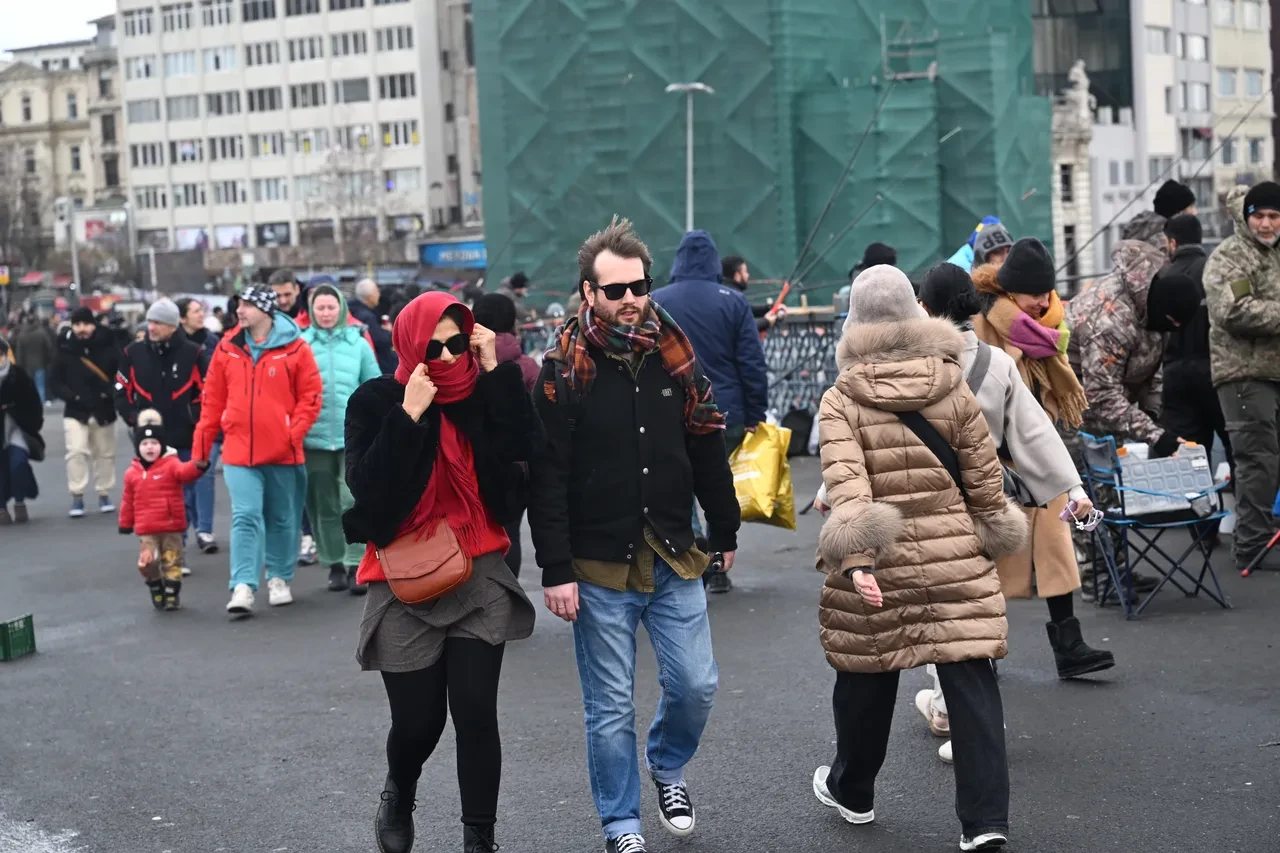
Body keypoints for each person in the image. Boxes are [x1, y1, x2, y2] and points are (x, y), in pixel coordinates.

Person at [530, 217, 740, 853]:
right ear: (588, 292)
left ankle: (667, 765)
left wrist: (724, 526)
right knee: (610, 707)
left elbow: (706, 444)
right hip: (598, 565)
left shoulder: (675, 355)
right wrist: (555, 569)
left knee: (697, 685)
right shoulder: (561, 370)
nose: (629, 300)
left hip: (674, 551)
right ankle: (621, 823)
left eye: (639, 287)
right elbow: (546, 476)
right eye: (615, 290)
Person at [812, 264, 1024, 852]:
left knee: (866, 673)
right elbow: (984, 478)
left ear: (854, 322)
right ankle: (984, 821)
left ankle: (853, 791)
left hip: (883, 558)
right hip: (954, 549)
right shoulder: (951, 382)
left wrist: (858, 559)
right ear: (914, 314)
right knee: (970, 675)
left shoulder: (841, 399)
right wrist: (989, 536)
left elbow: (848, 484)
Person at [344, 291, 536, 853]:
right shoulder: (377, 400)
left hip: (479, 568)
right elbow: (370, 493)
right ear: (410, 345)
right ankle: (399, 790)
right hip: (405, 575)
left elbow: (527, 450)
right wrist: (408, 416)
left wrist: (496, 374)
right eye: (435, 347)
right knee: (418, 723)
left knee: (476, 712)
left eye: (458, 345)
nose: (449, 358)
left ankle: (480, 838)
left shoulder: (482, 390)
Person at [193, 285, 323, 617]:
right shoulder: (226, 348)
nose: (239, 310)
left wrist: (292, 435)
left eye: (247, 305)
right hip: (239, 452)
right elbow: (212, 402)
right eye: (239, 304)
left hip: (283, 452)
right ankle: (243, 585)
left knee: (281, 518)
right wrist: (201, 449)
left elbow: (311, 397)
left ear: (265, 309)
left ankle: (279, 578)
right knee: (245, 515)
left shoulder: (297, 348)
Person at [653, 230, 767, 594]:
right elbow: (751, 362)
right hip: (725, 408)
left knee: (679, 487)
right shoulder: (733, 301)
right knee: (718, 482)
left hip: (669, 409)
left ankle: (692, 550)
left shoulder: (657, 301)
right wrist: (756, 411)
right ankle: (718, 557)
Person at [1202, 180, 1280, 576]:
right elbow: (1233, 310)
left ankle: (1261, 537)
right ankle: (1251, 545)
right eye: (1259, 216)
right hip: (1243, 373)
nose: (1266, 224)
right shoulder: (1230, 256)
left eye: (1273, 216)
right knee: (1257, 460)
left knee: (1268, 460)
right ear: (1247, 217)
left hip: (1273, 370)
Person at [115, 299, 213, 562]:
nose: (151, 327)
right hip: (149, 441)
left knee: (183, 496)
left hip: (184, 436)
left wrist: (193, 416)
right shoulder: (132, 353)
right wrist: (135, 419)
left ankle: (177, 548)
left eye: (157, 322)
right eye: (150, 321)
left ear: (172, 326)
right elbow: (121, 390)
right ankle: (162, 549)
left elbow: (207, 391)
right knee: (154, 497)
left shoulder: (193, 353)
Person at [299, 284, 380, 594]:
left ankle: (356, 563)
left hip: (353, 438)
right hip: (313, 438)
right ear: (312, 311)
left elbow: (374, 386)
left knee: (351, 500)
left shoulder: (359, 344)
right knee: (323, 504)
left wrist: (374, 425)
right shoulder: (301, 344)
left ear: (341, 309)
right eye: (320, 308)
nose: (326, 313)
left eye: (331, 307)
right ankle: (333, 563)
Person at [1155, 214, 1231, 480]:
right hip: (1216, 373)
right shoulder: (1215, 272)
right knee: (1238, 451)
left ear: (1173, 243)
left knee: (1188, 462)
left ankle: (1198, 506)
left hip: (1174, 377)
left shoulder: (1162, 277)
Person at [472, 292, 539, 578]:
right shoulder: (528, 366)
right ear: (512, 322)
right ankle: (510, 594)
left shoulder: (462, 362)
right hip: (517, 468)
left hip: (473, 464)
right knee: (510, 534)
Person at [118, 410, 207, 611]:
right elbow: (127, 500)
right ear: (138, 448)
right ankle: (155, 585)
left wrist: (198, 466)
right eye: (144, 444)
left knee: (172, 561)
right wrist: (125, 523)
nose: (150, 447)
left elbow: (185, 472)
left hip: (171, 526)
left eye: (154, 443)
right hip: (147, 529)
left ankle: (172, 593)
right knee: (149, 562)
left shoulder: (171, 465)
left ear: (162, 446)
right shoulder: (132, 473)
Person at [49, 307, 119, 517]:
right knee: (76, 452)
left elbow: (120, 373)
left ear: (93, 325)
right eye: (77, 324)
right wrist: (72, 397)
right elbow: (55, 380)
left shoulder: (109, 345)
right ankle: (77, 495)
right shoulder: (64, 348)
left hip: (103, 408)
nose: (81, 329)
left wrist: (110, 392)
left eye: (86, 324)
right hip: (76, 409)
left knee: (105, 454)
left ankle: (104, 493)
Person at [0, 338, 43, 525]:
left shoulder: (18, 375)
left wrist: (32, 422)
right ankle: (1, 508)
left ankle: (19, 502)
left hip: (18, 429)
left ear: (5, 355)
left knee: (18, 463)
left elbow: (33, 402)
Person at [1121, 178, 1197, 251]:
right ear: (1178, 212)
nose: (1195, 212)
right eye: (1191, 207)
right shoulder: (1163, 242)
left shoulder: (1142, 231)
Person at [721, 255, 780, 332]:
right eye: (745, 272)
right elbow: (743, 327)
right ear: (737, 275)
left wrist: (768, 308)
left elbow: (746, 309)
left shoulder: (725, 293)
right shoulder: (734, 297)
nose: (748, 275)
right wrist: (766, 322)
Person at [351, 278, 398, 374]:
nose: (379, 294)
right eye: (377, 291)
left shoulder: (353, 311)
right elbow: (381, 340)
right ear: (370, 297)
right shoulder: (367, 317)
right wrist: (388, 332)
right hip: (378, 365)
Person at [14, 314, 54, 405]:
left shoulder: (22, 335)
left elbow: (19, 352)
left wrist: (19, 366)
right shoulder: (41, 333)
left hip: (26, 365)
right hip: (40, 363)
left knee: (28, 385)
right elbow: (48, 347)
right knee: (40, 385)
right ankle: (40, 403)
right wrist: (47, 360)